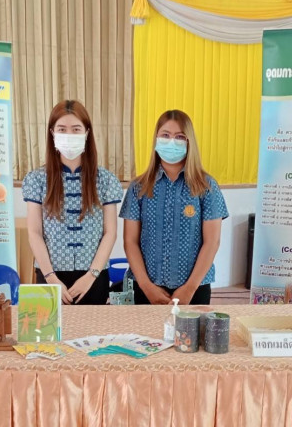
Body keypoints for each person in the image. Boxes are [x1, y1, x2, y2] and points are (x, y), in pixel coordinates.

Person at [120, 110, 228, 305]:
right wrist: (147, 287)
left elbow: (212, 242)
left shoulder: (206, 186)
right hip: (145, 287)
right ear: (156, 139)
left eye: (179, 137)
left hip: (194, 288)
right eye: (165, 135)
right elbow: (130, 241)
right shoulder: (139, 187)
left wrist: (189, 289)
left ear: (189, 142)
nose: (171, 142)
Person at [23, 100, 122, 304]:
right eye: (62, 129)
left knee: (94, 326)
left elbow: (110, 232)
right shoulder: (36, 179)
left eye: (76, 129)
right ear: (52, 133)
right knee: (50, 325)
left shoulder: (105, 179)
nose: (69, 134)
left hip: (93, 276)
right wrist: (51, 278)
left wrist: (91, 276)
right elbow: (34, 232)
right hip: (50, 275)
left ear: (87, 133)